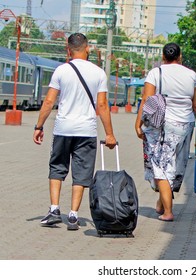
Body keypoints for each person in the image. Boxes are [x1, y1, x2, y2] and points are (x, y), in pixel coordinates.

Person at [33, 33, 117, 230]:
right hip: (87, 131)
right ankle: (73, 215)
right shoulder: (98, 73)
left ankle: (54, 210)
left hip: (63, 128)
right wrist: (110, 134)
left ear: (68, 49)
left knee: (57, 167)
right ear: (87, 48)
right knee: (81, 172)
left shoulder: (61, 71)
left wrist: (39, 126)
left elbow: (49, 101)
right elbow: (103, 105)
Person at [135, 42, 196, 222]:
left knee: (161, 168)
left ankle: (168, 211)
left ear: (163, 57)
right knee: (173, 165)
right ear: (180, 57)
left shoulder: (156, 73)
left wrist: (138, 123)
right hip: (185, 126)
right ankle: (161, 202)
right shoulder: (192, 75)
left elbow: (147, 100)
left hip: (162, 126)